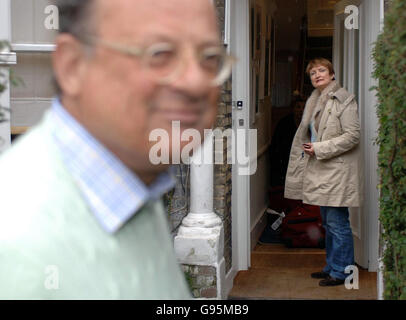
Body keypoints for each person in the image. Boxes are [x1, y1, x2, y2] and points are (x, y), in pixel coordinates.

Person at [0, 0, 232, 299]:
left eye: (209, 57)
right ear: (73, 66)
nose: (195, 82)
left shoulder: (131, 186)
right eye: (159, 53)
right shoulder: (16, 244)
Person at [284, 58, 362, 287]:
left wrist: (319, 148)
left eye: (321, 71)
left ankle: (343, 272)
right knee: (328, 223)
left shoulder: (343, 99)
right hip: (321, 169)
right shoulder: (315, 100)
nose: (317, 75)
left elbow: (352, 136)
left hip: (337, 172)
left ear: (332, 74)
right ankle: (332, 266)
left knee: (338, 223)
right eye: (312, 73)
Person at [270, 97, 306, 187]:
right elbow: (277, 145)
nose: (301, 110)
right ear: (293, 109)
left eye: (304, 107)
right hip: (286, 159)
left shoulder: (308, 124)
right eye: (298, 107)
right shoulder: (284, 123)